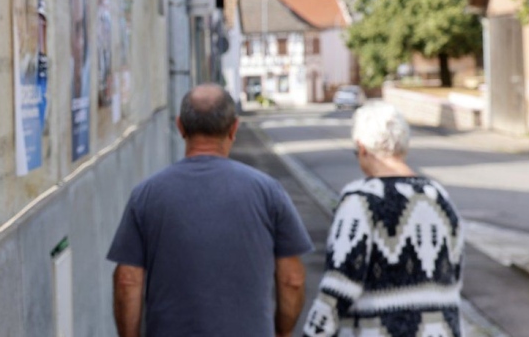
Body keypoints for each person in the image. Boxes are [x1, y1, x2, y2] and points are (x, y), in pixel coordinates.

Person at [108, 84, 313, 337]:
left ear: (180, 126)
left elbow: (127, 280)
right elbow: (292, 279)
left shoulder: (147, 194)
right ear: (234, 128)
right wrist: (282, 332)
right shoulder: (268, 192)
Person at [303, 102, 464, 337]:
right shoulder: (439, 196)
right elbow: (455, 274)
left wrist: (313, 332)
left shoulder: (360, 201)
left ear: (363, 147)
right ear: (404, 147)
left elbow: (340, 285)